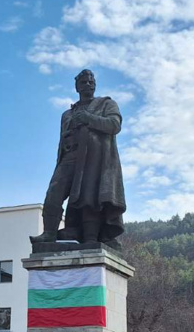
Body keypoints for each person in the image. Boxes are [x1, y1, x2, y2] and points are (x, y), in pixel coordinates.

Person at [29, 68, 126, 247]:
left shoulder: (106, 104)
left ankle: (91, 237)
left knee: (89, 196)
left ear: (95, 85)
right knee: (53, 194)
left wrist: (88, 118)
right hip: (69, 157)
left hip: (94, 158)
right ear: (77, 87)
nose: (87, 84)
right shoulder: (67, 114)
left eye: (90, 82)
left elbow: (114, 125)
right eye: (83, 82)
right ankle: (49, 233)